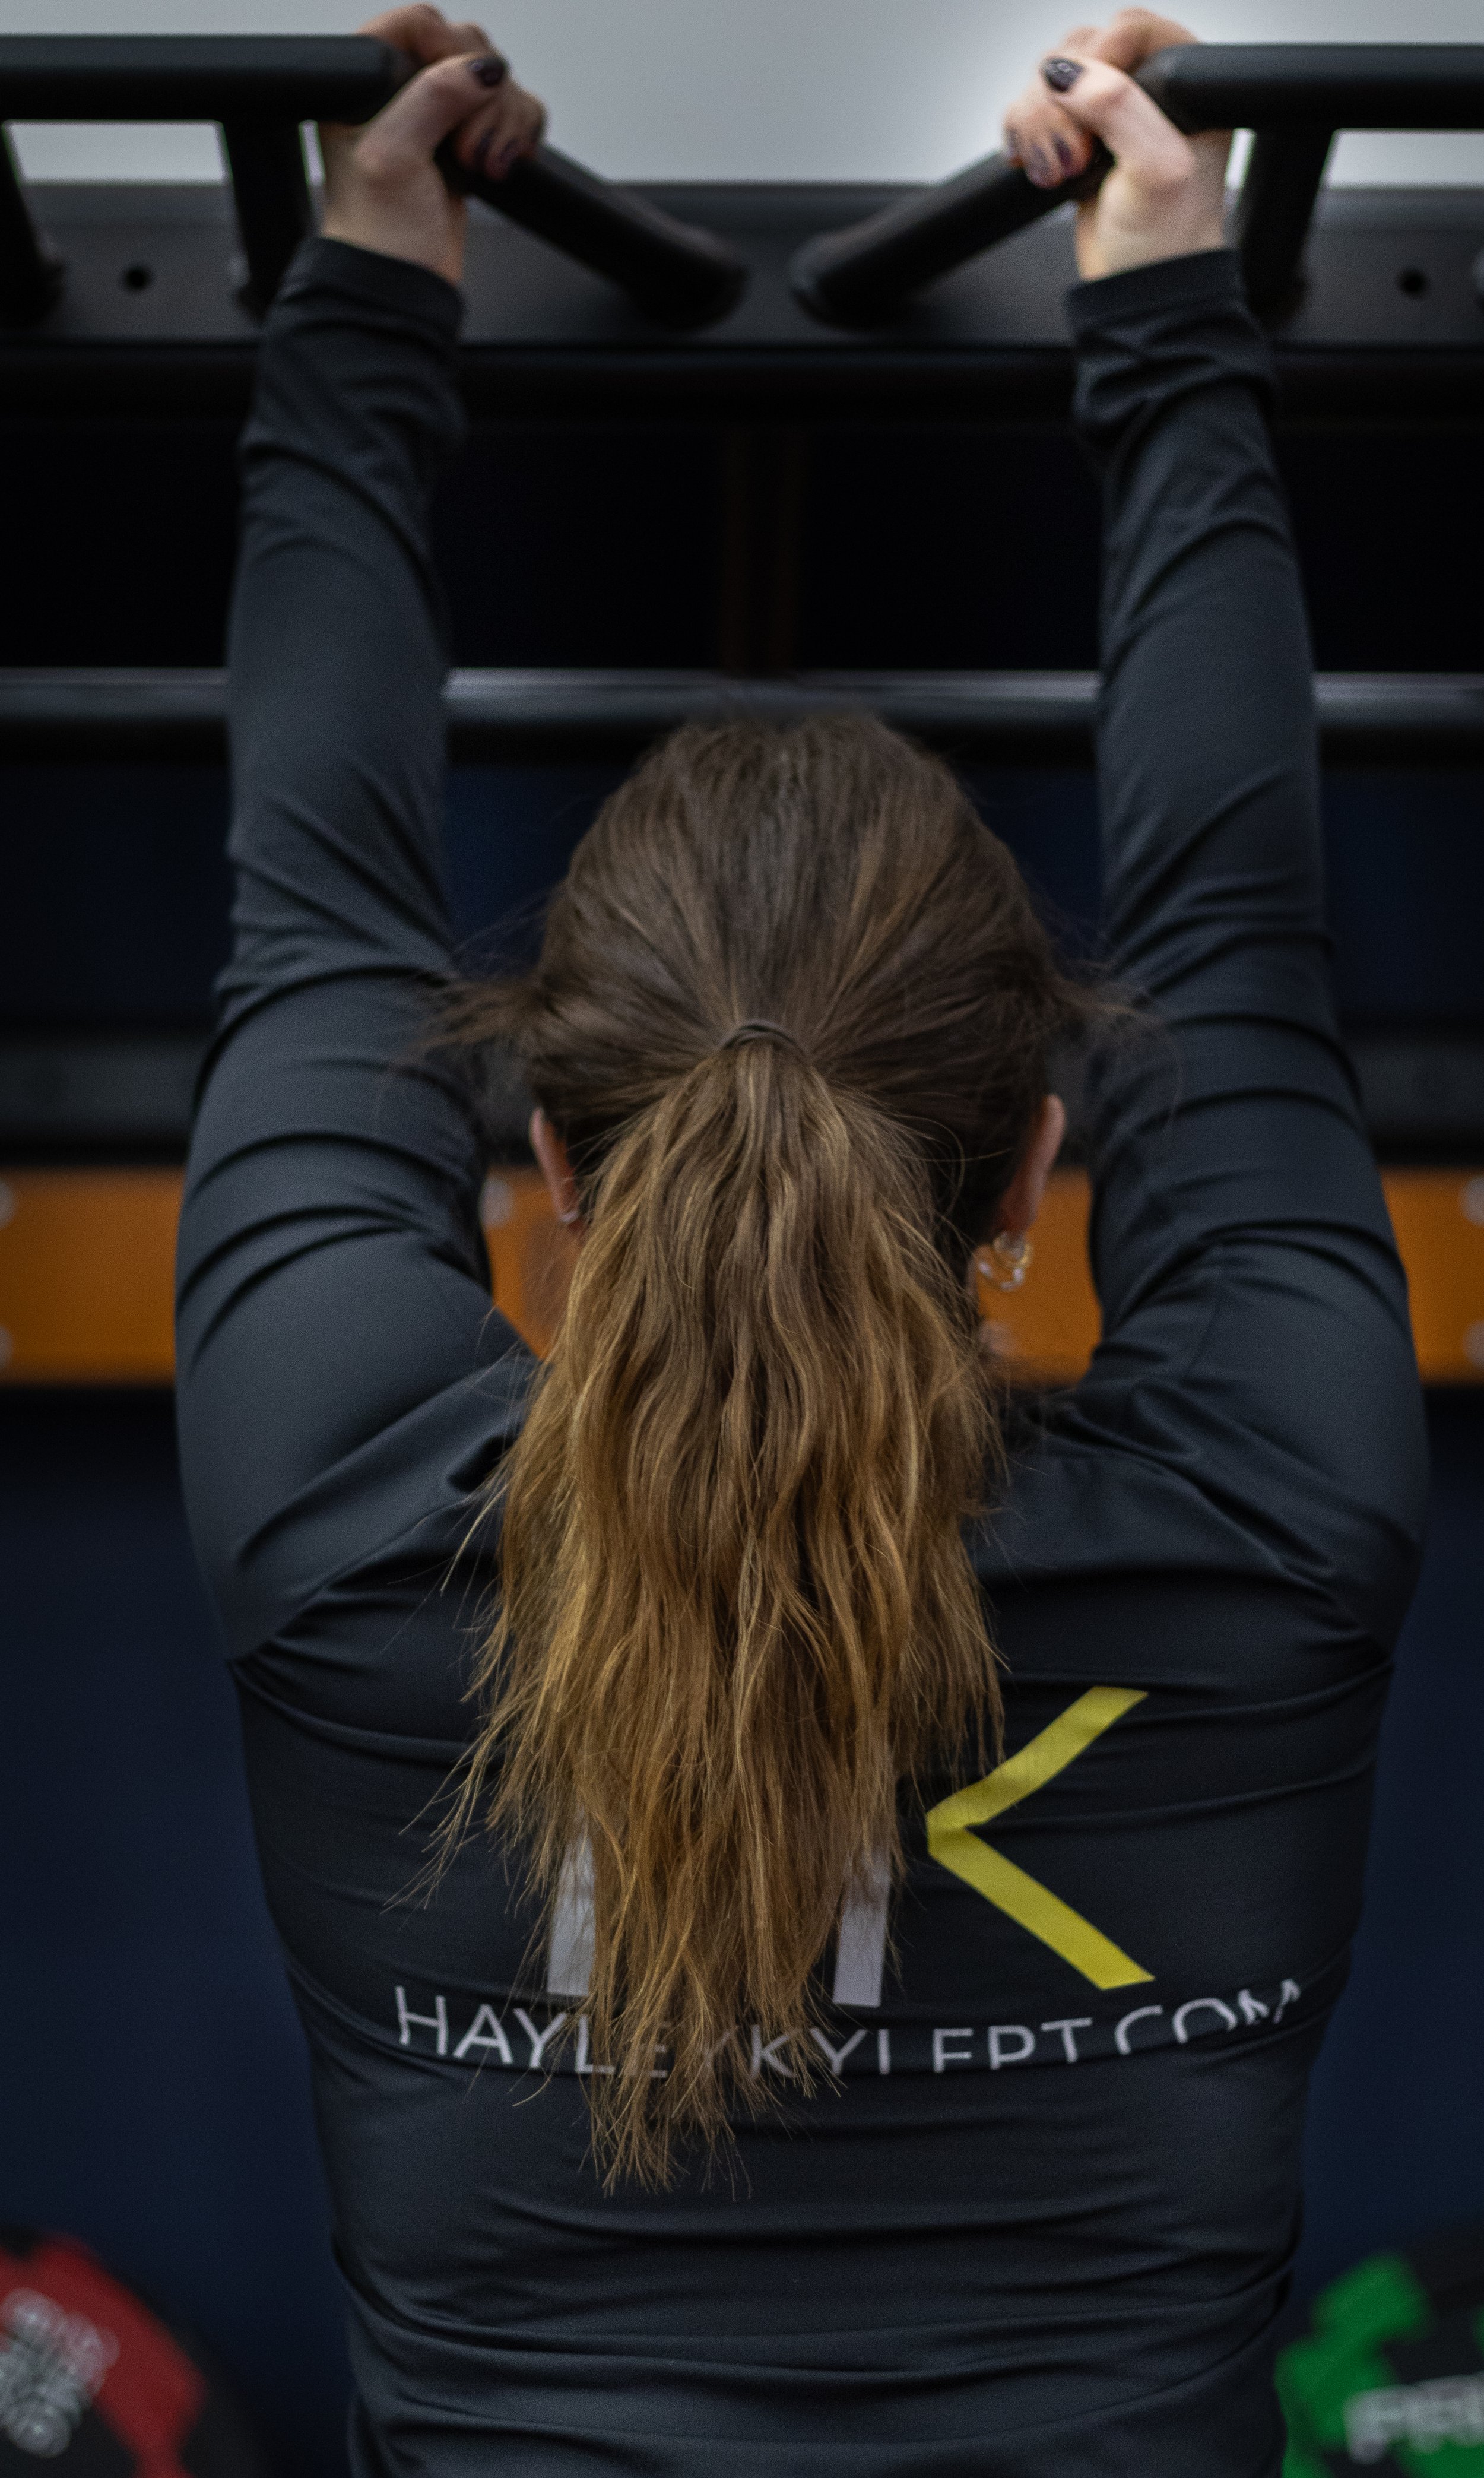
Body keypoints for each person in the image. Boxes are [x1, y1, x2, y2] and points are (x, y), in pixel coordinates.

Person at [174, 7, 1428, 2470]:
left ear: (546, 1161)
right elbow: (1240, 940)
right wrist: (1167, 311)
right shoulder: (1277, 1510)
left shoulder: (341, 1518)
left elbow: (313, 921)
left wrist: (365, 282)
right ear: (1034, 1166)